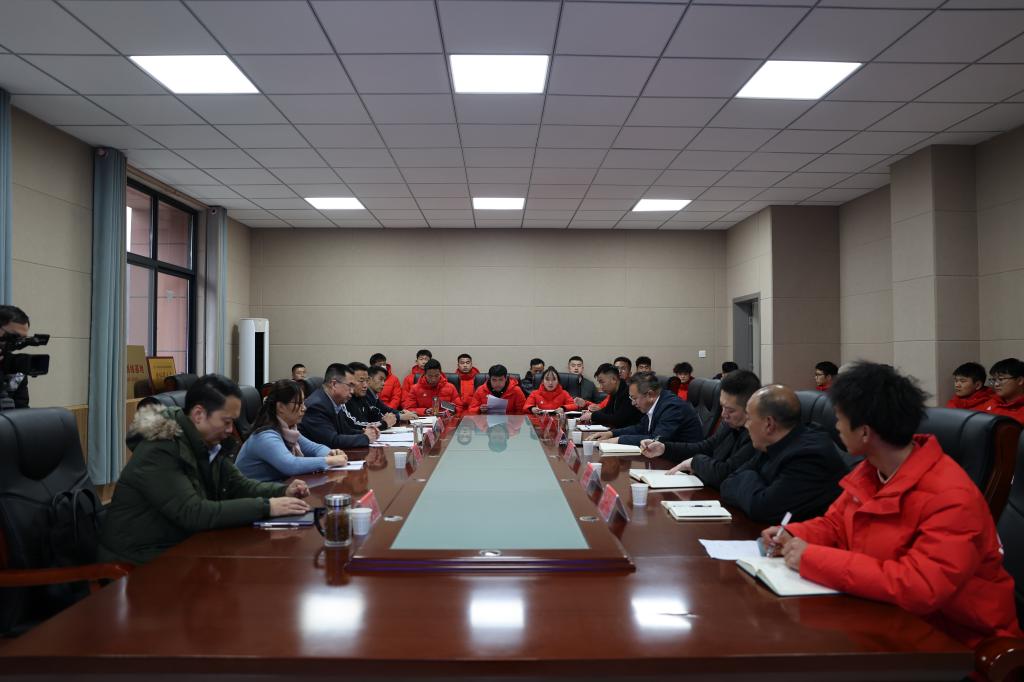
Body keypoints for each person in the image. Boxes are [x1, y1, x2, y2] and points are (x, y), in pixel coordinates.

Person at [762, 362, 1021, 647]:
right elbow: (836, 524)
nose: (835, 427)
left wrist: (812, 558)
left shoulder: (952, 496)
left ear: (865, 432)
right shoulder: (872, 470)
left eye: (839, 419)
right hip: (885, 618)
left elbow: (920, 586)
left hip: (956, 643)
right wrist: (793, 534)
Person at [97, 375, 311, 565]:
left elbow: (239, 485)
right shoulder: (160, 449)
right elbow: (193, 512)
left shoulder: (206, 444)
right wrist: (267, 506)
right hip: (142, 560)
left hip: (183, 545)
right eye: (226, 422)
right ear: (199, 414)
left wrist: (282, 491)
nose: (231, 430)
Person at [719, 385, 847, 524]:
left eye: (749, 418)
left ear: (769, 424)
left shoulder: (808, 457)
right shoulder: (771, 443)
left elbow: (762, 509)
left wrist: (749, 476)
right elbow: (727, 483)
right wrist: (757, 485)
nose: (746, 425)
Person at [642, 370, 761, 488]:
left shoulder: (757, 436)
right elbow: (705, 447)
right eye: (722, 407)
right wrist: (664, 448)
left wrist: (695, 462)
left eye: (730, 410)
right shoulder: (729, 423)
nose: (723, 415)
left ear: (750, 408)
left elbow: (727, 473)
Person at [236, 380, 348, 482]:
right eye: (299, 403)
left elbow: (314, 448)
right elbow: (291, 465)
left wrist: (331, 453)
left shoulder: (288, 430)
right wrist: (329, 461)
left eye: (303, 402)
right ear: (280, 407)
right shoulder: (265, 437)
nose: (304, 408)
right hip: (257, 495)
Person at [592, 372, 702, 446]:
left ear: (650, 395)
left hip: (682, 464)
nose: (633, 403)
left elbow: (656, 440)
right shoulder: (657, 402)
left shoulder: (672, 407)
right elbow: (640, 428)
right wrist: (611, 434)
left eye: (634, 398)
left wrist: (618, 440)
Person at [300, 363, 380, 449]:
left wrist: (366, 433)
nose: (352, 391)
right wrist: (365, 438)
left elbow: (345, 431)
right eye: (350, 385)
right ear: (334, 384)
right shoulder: (316, 406)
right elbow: (332, 441)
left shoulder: (335, 402)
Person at [580, 362, 643, 428]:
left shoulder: (628, 392)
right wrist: (591, 414)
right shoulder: (615, 392)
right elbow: (607, 411)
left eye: (602, 382)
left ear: (614, 379)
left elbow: (618, 420)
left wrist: (592, 416)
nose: (601, 387)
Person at [0, 304, 32, 408]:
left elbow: (22, 410)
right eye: (14, 337)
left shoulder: (15, 367)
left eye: (22, 339)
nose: (17, 344)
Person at [982, 357, 1024, 424]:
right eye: (994, 380)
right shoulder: (991, 402)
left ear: (1020, 380)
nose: (996, 384)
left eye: (1001, 379)